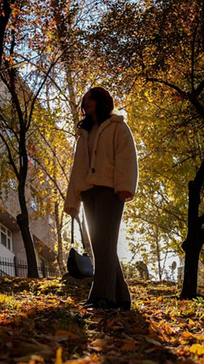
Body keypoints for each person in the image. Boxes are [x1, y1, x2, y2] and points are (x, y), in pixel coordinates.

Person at [63, 87, 138, 311]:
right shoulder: (84, 132)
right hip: (88, 192)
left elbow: (127, 157)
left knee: (105, 243)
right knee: (100, 245)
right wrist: (72, 202)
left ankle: (101, 296)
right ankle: (122, 297)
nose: (86, 103)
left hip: (111, 191)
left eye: (90, 99)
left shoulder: (117, 126)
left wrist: (124, 187)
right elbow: (78, 169)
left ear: (101, 101)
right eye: (84, 100)